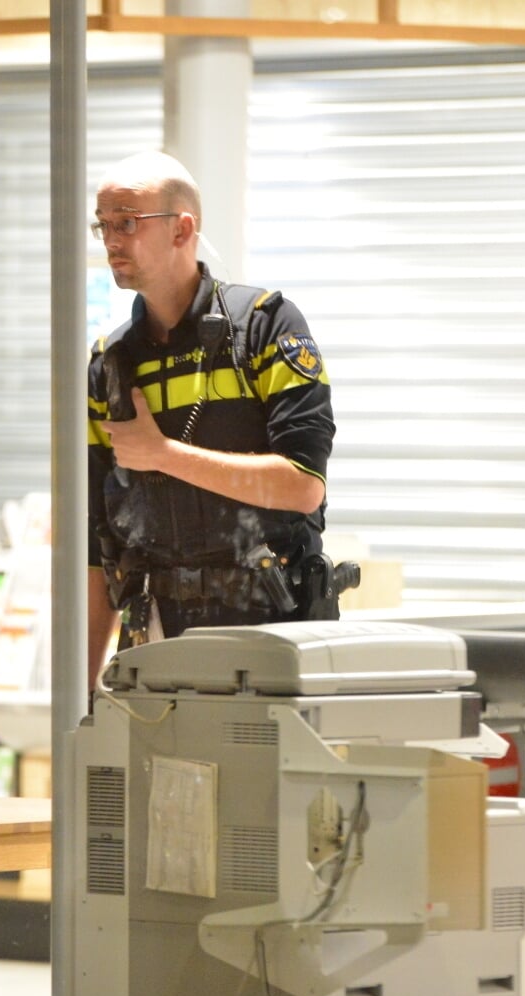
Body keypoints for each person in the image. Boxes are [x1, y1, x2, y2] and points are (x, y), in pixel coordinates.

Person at [87, 151, 345, 686]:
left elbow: (302, 487)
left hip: (269, 639)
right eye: (104, 225)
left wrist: (163, 456)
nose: (112, 241)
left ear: (183, 229)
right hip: (153, 646)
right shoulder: (109, 365)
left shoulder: (266, 327)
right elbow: (96, 551)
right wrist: (82, 698)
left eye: (128, 223)